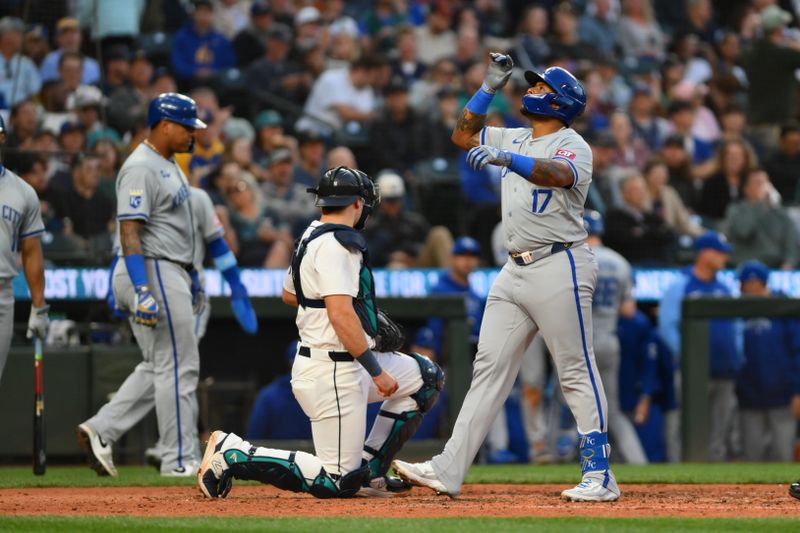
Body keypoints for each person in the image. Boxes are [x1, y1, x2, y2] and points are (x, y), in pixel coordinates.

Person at [393, 55, 621, 502]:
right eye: (531, 86)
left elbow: (557, 173)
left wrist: (506, 157)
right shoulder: (515, 134)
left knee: (575, 368)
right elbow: (461, 134)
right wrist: (487, 88)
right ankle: (450, 468)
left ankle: (599, 473)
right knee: (488, 369)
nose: (531, 90)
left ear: (560, 103)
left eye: (540, 88)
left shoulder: (573, 144)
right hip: (513, 269)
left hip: (562, 264)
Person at [196, 167, 444, 499]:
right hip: (334, 371)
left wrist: (336, 302)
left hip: (341, 360)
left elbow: (289, 293)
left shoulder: (311, 234)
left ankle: (370, 471)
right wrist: (376, 369)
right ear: (357, 203)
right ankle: (234, 453)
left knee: (424, 379)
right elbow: (340, 314)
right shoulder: (337, 244)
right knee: (336, 481)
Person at [76, 93, 208, 477]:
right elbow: (130, 231)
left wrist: (192, 271)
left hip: (168, 267)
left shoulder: (167, 163)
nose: (192, 134)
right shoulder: (141, 167)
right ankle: (178, 458)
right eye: (186, 127)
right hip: (152, 268)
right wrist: (143, 289)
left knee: (160, 365)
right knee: (181, 366)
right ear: (164, 125)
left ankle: (101, 429)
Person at [658, 231, 743, 462]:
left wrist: (737, 355)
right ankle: (679, 471)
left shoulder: (725, 287)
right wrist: (688, 356)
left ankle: (713, 480)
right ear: (704, 253)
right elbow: (666, 326)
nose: (724, 257)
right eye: (719, 252)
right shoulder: (681, 285)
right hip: (693, 371)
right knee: (686, 423)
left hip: (724, 368)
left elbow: (736, 327)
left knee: (720, 427)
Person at [584, 211, 647, 465]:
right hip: (609, 340)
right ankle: (639, 462)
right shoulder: (620, 261)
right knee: (612, 410)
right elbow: (628, 311)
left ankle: (562, 462)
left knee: (568, 407)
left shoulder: (575, 258)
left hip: (580, 343)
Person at [0, 114, 49, 384]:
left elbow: (31, 252)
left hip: (2, 294)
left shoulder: (23, 191)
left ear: (3, 138)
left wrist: (39, 306)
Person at [735, 260, 800, 462]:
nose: (741, 288)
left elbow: (798, 352)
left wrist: (798, 392)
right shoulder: (736, 310)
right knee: (752, 456)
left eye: (744, 283)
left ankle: (783, 495)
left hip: (782, 397)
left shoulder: (784, 307)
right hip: (748, 397)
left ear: (755, 282)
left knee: (782, 455)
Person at [724, 169, 798, 269]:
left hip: (774, 268)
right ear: (746, 189)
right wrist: (759, 203)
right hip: (743, 267)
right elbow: (743, 232)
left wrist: (788, 265)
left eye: (765, 182)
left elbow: (791, 246)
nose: (764, 187)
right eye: (758, 183)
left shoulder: (781, 214)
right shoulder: (736, 210)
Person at [604, 173, 675, 265]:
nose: (640, 193)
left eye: (642, 189)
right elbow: (625, 241)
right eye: (635, 190)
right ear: (624, 193)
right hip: (629, 264)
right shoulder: (614, 216)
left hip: (657, 265)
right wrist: (653, 234)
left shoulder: (651, 216)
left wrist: (642, 233)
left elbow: (670, 235)